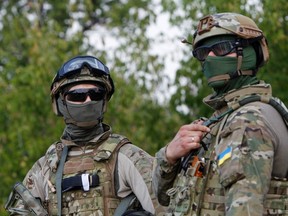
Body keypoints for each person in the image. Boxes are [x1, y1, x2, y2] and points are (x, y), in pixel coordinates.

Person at [153, 12, 288, 215]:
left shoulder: (249, 119)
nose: (210, 58)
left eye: (222, 48)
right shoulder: (218, 121)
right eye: (203, 53)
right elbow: (163, 197)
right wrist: (169, 157)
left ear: (251, 53)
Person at [5, 55, 158, 215]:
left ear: (104, 101)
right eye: (77, 95)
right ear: (60, 104)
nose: (88, 100)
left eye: (96, 94)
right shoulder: (45, 168)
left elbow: (167, 208)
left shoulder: (127, 157)